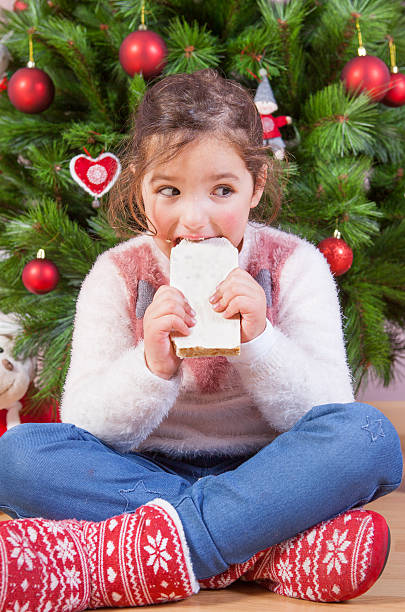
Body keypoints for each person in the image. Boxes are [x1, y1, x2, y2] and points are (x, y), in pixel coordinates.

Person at [0, 69, 402, 611]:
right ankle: (264, 550)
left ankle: (116, 561)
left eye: (222, 190)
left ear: (256, 185)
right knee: (17, 457)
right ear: (138, 188)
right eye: (169, 190)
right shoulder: (117, 273)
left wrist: (260, 340)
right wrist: (150, 366)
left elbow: (327, 410)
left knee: (368, 437)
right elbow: (85, 424)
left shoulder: (296, 266)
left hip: (270, 470)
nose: (195, 219)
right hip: (146, 474)